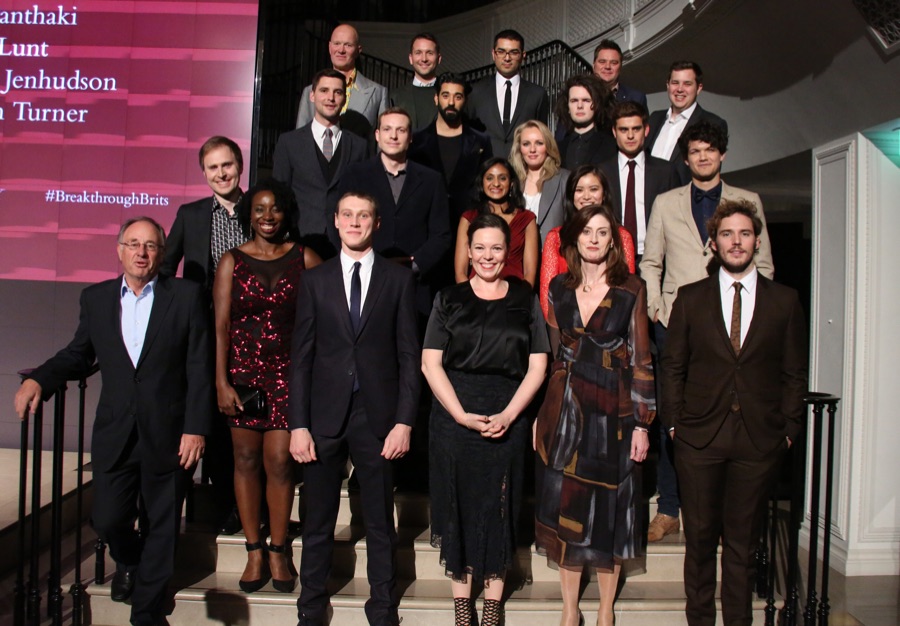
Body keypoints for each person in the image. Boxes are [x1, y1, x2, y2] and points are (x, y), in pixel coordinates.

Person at [14, 217, 212, 626]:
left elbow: (199, 366)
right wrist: (39, 379)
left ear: (162, 253)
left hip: (170, 432)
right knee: (107, 519)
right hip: (116, 432)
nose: (142, 253)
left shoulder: (187, 296)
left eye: (151, 245)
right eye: (134, 244)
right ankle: (129, 560)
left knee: (161, 524)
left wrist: (196, 427)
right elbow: (78, 354)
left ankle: (148, 612)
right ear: (119, 250)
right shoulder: (97, 298)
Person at [660, 199, 806, 626]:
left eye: (744, 233)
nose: (736, 241)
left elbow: (794, 371)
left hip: (759, 441)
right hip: (698, 439)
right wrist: (673, 423)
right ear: (713, 243)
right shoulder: (690, 299)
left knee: (742, 549)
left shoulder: (784, 301)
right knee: (700, 545)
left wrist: (789, 429)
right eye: (727, 234)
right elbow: (673, 367)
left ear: (757, 241)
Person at [289, 191, 420, 626]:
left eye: (363, 216)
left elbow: (408, 357)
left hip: (378, 418)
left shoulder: (399, 280)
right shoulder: (315, 280)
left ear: (376, 223)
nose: (355, 222)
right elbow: (302, 358)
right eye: (348, 215)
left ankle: (382, 608)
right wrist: (298, 425)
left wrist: (404, 421)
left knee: (380, 521)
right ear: (336, 221)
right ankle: (310, 607)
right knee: (318, 521)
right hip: (323, 420)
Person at [640, 120, 774, 543]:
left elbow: (765, 266)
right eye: (695, 151)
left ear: (722, 155)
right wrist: (657, 309)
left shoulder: (746, 200)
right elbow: (650, 263)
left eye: (709, 151)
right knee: (671, 416)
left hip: (731, 330)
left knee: (723, 412)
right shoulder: (666, 202)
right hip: (675, 325)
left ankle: (715, 509)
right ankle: (669, 507)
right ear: (686, 158)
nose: (702, 157)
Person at [422, 213, 550, 626]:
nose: (488, 256)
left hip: (507, 412)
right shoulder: (448, 298)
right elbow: (430, 363)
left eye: (497, 247)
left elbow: (538, 365)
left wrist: (511, 415)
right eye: (480, 247)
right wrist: (459, 415)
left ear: (507, 251)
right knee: (457, 504)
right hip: (455, 413)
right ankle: (463, 606)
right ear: (469, 251)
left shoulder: (525, 298)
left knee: (500, 505)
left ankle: (492, 605)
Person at [534, 202, 655, 626]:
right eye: (587, 231)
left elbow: (642, 359)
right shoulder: (558, 289)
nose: (594, 239)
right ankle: (570, 610)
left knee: (609, 512)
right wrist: (542, 415)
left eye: (603, 232)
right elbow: (554, 358)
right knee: (568, 509)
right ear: (574, 238)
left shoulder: (631, 289)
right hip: (566, 408)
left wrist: (643, 422)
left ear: (613, 241)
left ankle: (605, 610)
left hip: (614, 411)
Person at [213, 179, 322, 594]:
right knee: (244, 459)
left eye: (275, 208)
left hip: (290, 374)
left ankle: (279, 549)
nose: (268, 216)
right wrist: (221, 382)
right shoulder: (231, 262)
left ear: (286, 212)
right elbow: (221, 327)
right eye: (259, 209)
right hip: (242, 376)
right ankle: (253, 548)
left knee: (279, 460)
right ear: (249, 215)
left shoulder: (306, 258)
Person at [161, 135, 249, 535]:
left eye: (227, 165)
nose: (221, 173)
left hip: (254, 330)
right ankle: (227, 504)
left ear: (239, 165)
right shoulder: (191, 214)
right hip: (206, 330)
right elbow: (165, 268)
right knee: (213, 414)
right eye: (213, 168)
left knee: (249, 418)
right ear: (204, 174)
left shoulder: (260, 208)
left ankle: (254, 504)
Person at [338, 107, 452, 316]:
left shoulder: (431, 180)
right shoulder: (355, 174)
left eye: (400, 130)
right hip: (365, 279)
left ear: (410, 138)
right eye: (387, 129)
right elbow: (339, 220)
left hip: (416, 286)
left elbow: (441, 234)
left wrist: (415, 265)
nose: (393, 135)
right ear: (377, 135)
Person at [273, 69, 368, 259]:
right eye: (324, 90)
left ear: (344, 98)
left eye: (338, 92)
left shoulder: (359, 146)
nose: (331, 98)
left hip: (345, 244)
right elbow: (279, 194)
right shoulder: (288, 143)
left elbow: (364, 196)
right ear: (312, 95)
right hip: (299, 241)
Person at [539, 164, 636, 320]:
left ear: (604, 194)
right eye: (579, 190)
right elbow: (547, 295)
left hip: (611, 325)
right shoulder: (556, 237)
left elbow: (629, 291)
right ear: (571, 196)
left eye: (593, 189)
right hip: (566, 326)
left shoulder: (621, 236)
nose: (586, 196)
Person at [408, 72, 494, 226]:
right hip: (425, 225)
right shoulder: (416, 141)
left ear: (465, 101)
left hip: (469, 225)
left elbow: (486, 186)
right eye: (446, 95)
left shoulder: (481, 141)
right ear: (436, 98)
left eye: (458, 97)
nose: (451, 102)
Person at [599, 101, 679, 264]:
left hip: (655, 259)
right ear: (614, 132)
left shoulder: (665, 171)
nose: (630, 136)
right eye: (624, 130)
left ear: (646, 130)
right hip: (613, 257)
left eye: (636, 129)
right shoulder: (601, 172)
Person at [454, 157, 539, 286]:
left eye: (502, 178)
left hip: (515, 294)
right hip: (475, 296)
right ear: (481, 182)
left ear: (511, 183)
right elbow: (460, 272)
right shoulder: (468, 218)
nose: (496, 183)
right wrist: (469, 300)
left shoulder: (527, 219)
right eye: (489, 178)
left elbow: (529, 273)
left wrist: (521, 298)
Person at [466, 29, 551, 157]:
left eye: (513, 52)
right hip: (485, 168)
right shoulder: (476, 92)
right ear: (493, 54)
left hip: (522, 171)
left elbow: (542, 138)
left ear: (523, 56)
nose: (507, 58)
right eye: (501, 52)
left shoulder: (537, 94)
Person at [295, 24, 389, 134]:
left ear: (358, 50)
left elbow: (384, 141)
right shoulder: (309, 91)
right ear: (330, 47)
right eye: (337, 44)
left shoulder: (378, 92)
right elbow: (300, 139)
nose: (341, 50)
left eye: (348, 45)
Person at [646, 61, 728, 185]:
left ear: (699, 88)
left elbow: (708, 174)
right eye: (675, 83)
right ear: (668, 85)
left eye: (687, 84)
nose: (680, 89)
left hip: (684, 200)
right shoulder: (655, 118)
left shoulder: (713, 123)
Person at [509, 119, 569, 242]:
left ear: (548, 146)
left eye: (539, 143)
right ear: (519, 148)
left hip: (553, 256)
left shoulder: (564, 179)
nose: (532, 150)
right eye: (526, 144)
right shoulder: (512, 182)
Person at [555, 74, 617, 170]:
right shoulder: (558, 148)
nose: (580, 106)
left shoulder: (611, 146)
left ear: (597, 104)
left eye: (586, 100)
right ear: (567, 106)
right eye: (574, 100)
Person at [391, 32, 442, 130]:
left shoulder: (449, 94)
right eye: (418, 53)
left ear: (438, 58)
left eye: (429, 53)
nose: (424, 59)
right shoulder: (395, 96)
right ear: (411, 58)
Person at [592, 39, 647, 110]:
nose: (607, 66)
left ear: (620, 67)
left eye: (614, 63)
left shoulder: (637, 98)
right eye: (602, 62)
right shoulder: (580, 94)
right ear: (593, 66)